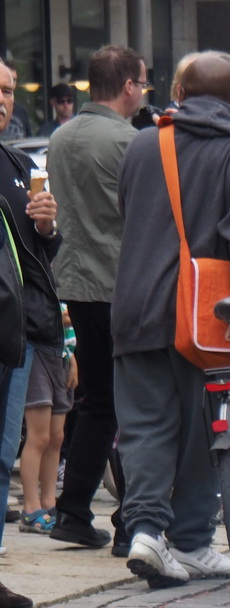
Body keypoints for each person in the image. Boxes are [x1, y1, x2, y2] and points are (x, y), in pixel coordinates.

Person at [113, 52, 230, 587]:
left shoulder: (144, 142)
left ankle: (145, 532)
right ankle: (192, 539)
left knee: (144, 426)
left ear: (180, 89)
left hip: (135, 305)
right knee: (208, 425)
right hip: (205, 314)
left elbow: (127, 212)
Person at [47, 44, 147, 552]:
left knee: (96, 402)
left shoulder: (61, 138)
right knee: (133, 405)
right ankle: (132, 522)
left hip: (76, 283)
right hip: (120, 286)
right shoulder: (129, 142)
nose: (145, 92)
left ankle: (75, 507)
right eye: (143, 83)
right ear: (128, 86)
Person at [0, 57, 54, 608]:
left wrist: (46, 227)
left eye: (11, 90)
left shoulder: (18, 163)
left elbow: (39, 256)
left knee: (1, 457)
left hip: (16, 330)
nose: (4, 99)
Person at [17, 313, 72, 531]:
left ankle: (49, 501)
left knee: (56, 436)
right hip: (38, 350)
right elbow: (44, 315)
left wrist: (72, 357)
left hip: (62, 355)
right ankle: (31, 507)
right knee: (39, 436)